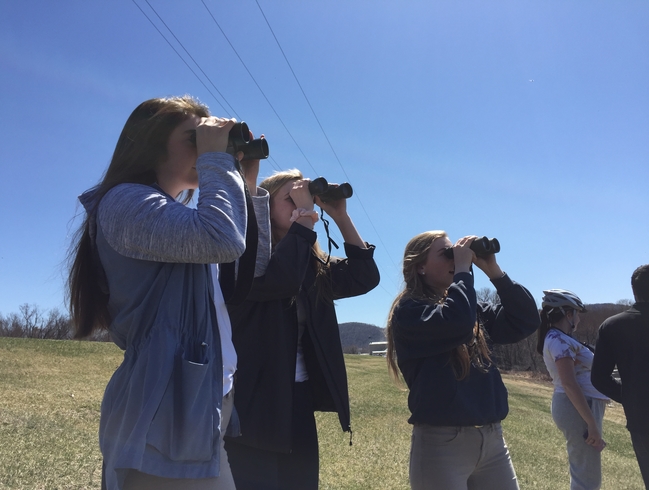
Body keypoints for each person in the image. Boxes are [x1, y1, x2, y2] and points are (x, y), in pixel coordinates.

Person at [68, 96, 250, 490]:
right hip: (163, 409)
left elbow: (244, 263)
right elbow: (223, 239)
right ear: (151, 143)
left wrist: (241, 173)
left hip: (198, 402)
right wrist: (217, 162)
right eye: (195, 139)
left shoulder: (172, 215)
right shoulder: (125, 201)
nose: (205, 148)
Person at [223, 169, 380, 490]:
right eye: (291, 198)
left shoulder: (312, 267)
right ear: (263, 209)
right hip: (253, 401)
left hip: (298, 397)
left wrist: (339, 216)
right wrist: (305, 224)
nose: (302, 205)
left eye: (306, 199)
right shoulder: (248, 260)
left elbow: (365, 277)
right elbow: (281, 279)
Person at [385, 231, 539, 490]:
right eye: (447, 255)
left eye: (454, 254)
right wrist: (464, 272)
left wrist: (494, 270)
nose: (455, 260)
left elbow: (525, 320)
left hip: (491, 439)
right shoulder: (410, 312)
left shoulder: (470, 309)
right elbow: (456, 322)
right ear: (419, 266)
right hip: (442, 443)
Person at [537, 289, 608, 490]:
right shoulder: (558, 341)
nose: (578, 319)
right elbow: (568, 383)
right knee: (587, 477)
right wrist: (591, 423)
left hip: (580, 407)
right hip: (578, 408)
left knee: (586, 472)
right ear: (569, 315)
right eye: (576, 313)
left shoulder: (561, 338)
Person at [591, 264, 649, 488]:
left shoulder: (613, 326)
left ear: (634, 290)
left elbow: (599, 378)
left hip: (642, 419)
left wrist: (630, 397)